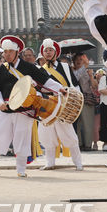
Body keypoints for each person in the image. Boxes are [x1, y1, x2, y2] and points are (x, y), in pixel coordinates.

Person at [0, 35, 65, 178]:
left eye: (10, 52)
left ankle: (21, 169)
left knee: (21, 137)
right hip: (6, 108)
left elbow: (45, 81)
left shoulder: (28, 67)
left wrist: (60, 88)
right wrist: (0, 103)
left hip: (24, 109)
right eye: (5, 52)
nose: (7, 55)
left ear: (16, 52)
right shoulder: (0, 70)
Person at [37, 39, 83, 171]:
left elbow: (74, 85)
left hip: (64, 104)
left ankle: (78, 163)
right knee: (47, 135)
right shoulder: (40, 70)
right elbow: (39, 88)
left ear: (55, 52)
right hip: (47, 104)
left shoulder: (65, 67)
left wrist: (74, 101)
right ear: (43, 53)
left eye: (50, 50)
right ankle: (50, 163)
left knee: (69, 134)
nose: (48, 52)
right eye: (46, 50)